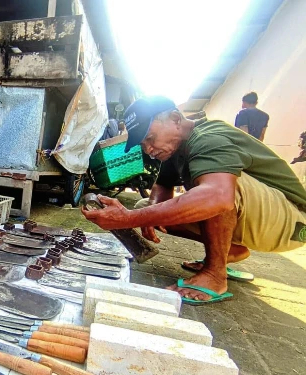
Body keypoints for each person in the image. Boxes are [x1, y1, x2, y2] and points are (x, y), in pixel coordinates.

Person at [82, 95, 306, 305]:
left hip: (293, 222)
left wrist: (127, 219)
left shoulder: (208, 137)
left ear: (176, 119)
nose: (148, 149)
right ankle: (229, 250)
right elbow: (163, 186)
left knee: (215, 190)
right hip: (259, 219)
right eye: (143, 145)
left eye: (150, 138)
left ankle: (215, 275)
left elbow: (218, 197)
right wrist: (145, 216)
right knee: (147, 206)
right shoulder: (175, 146)